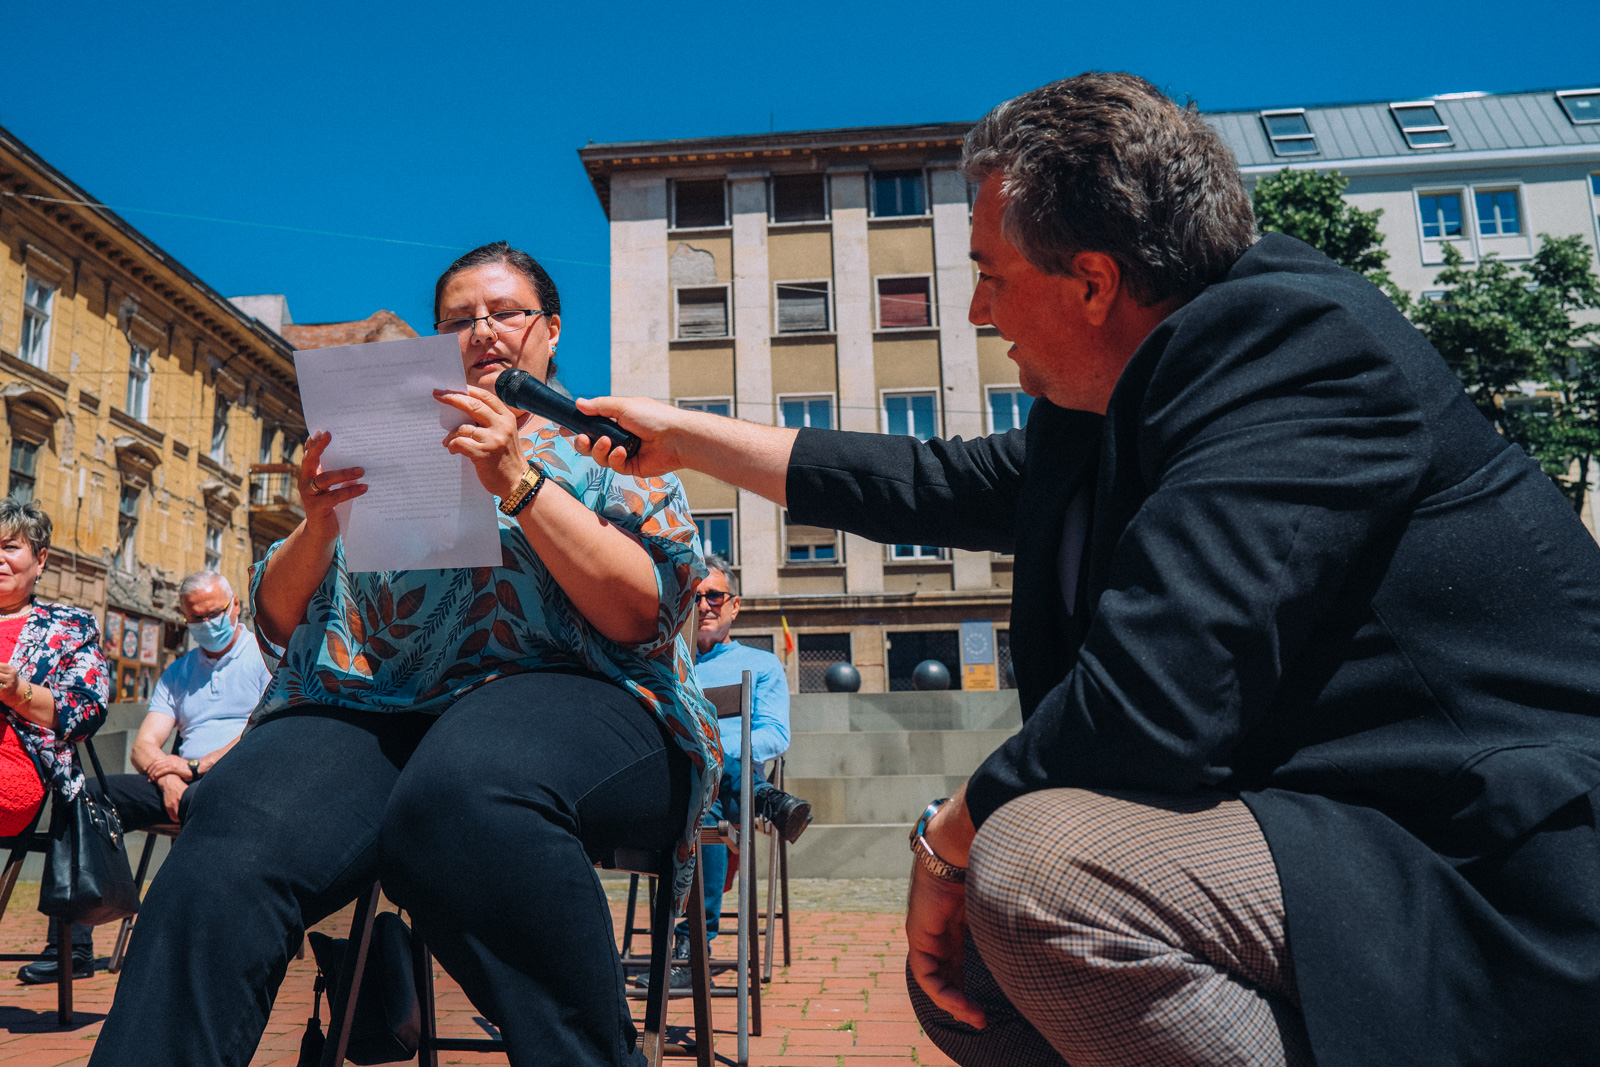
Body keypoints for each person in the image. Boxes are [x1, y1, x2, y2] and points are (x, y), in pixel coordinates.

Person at [572, 73, 1600, 1067]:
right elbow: (934, 482)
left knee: (1039, 874)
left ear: (1094, 282)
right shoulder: (1118, 396)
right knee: (979, 979)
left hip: (1489, 860)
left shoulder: (1292, 350)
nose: (976, 312)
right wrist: (686, 438)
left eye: (989, 273)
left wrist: (947, 841)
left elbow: (1159, 693)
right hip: (1341, 825)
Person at [89, 242, 720, 1067]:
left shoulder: (606, 444)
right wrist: (320, 522)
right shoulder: (393, 444)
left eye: (506, 312)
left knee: (465, 792)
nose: (482, 331)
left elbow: (643, 613)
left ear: (552, 330)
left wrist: (521, 484)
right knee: (234, 831)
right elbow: (277, 619)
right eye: (458, 320)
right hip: (376, 706)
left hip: (583, 697)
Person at [23, 568, 269, 985]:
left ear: (236, 607)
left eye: (214, 613)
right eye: (196, 618)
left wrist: (194, 767)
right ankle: (72, 948)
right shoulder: (179, 672)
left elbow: (261, 731)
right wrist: (169, 778)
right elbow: (144, 746)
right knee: (86, 795)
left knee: (211, 800)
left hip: (240, 780)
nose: (207, 624)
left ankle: (200, 949)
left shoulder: (265, 659)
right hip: (176, 783)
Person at [641, 553, 809, 989]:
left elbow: (774, 735)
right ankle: (770, 801)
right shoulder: (663, 662)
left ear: (734, 605)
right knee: (697, 779)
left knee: (707, 790)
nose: (704, 606)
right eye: (694, 597)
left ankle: (690, 946)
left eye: (714, 596)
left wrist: (709, 749)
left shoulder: (762, 665)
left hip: (723, 794)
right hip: (667, 784)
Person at [0, 499, 111, 984]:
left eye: (10, 547)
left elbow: (87, 710)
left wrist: (18, 692)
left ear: (40, 559)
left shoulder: (68, 626)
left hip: (16, 766)